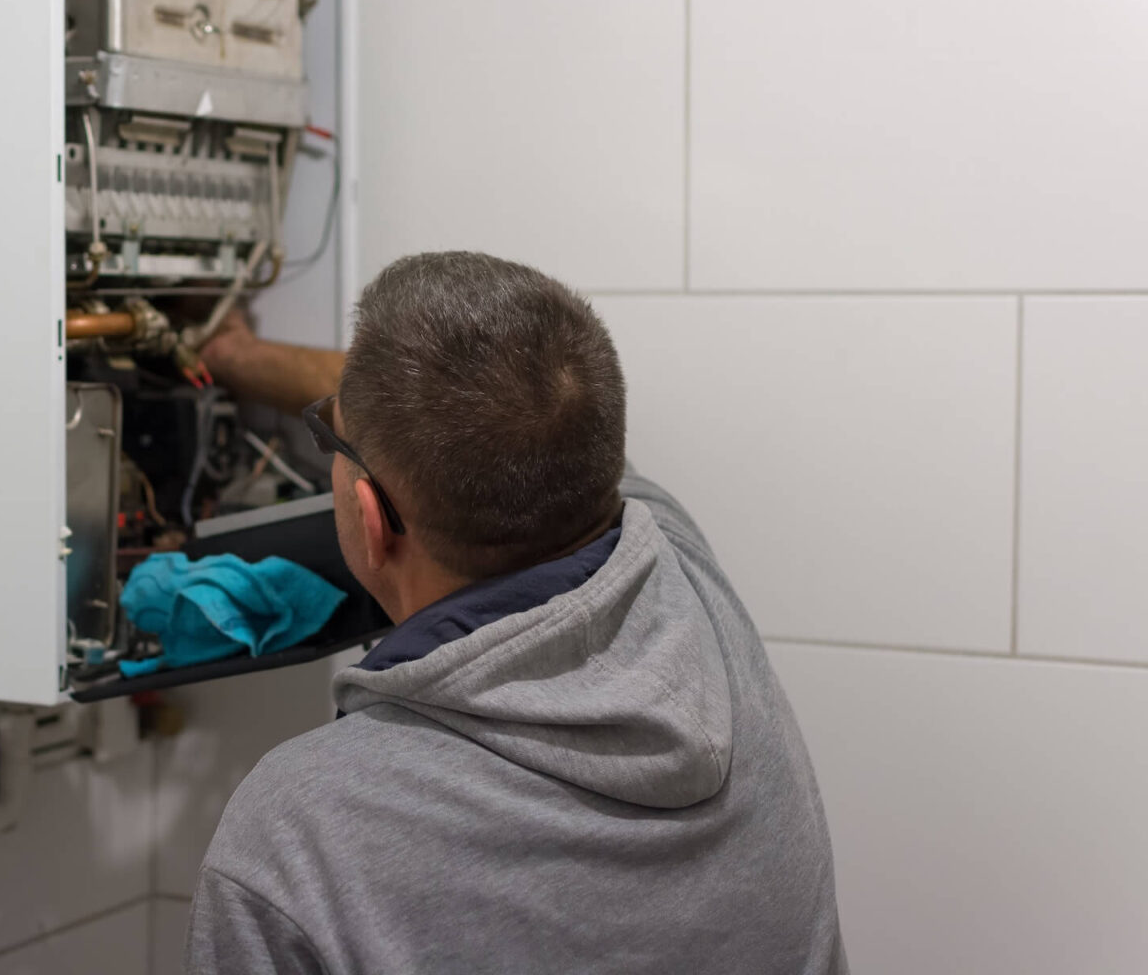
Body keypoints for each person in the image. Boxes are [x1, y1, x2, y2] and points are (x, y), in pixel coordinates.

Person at [189, 251, 848, 974]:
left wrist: (233, 355)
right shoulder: (684, 566)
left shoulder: (301, 831)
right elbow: (503, 403)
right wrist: (237, 356)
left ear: (371, 519)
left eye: (330, 440)